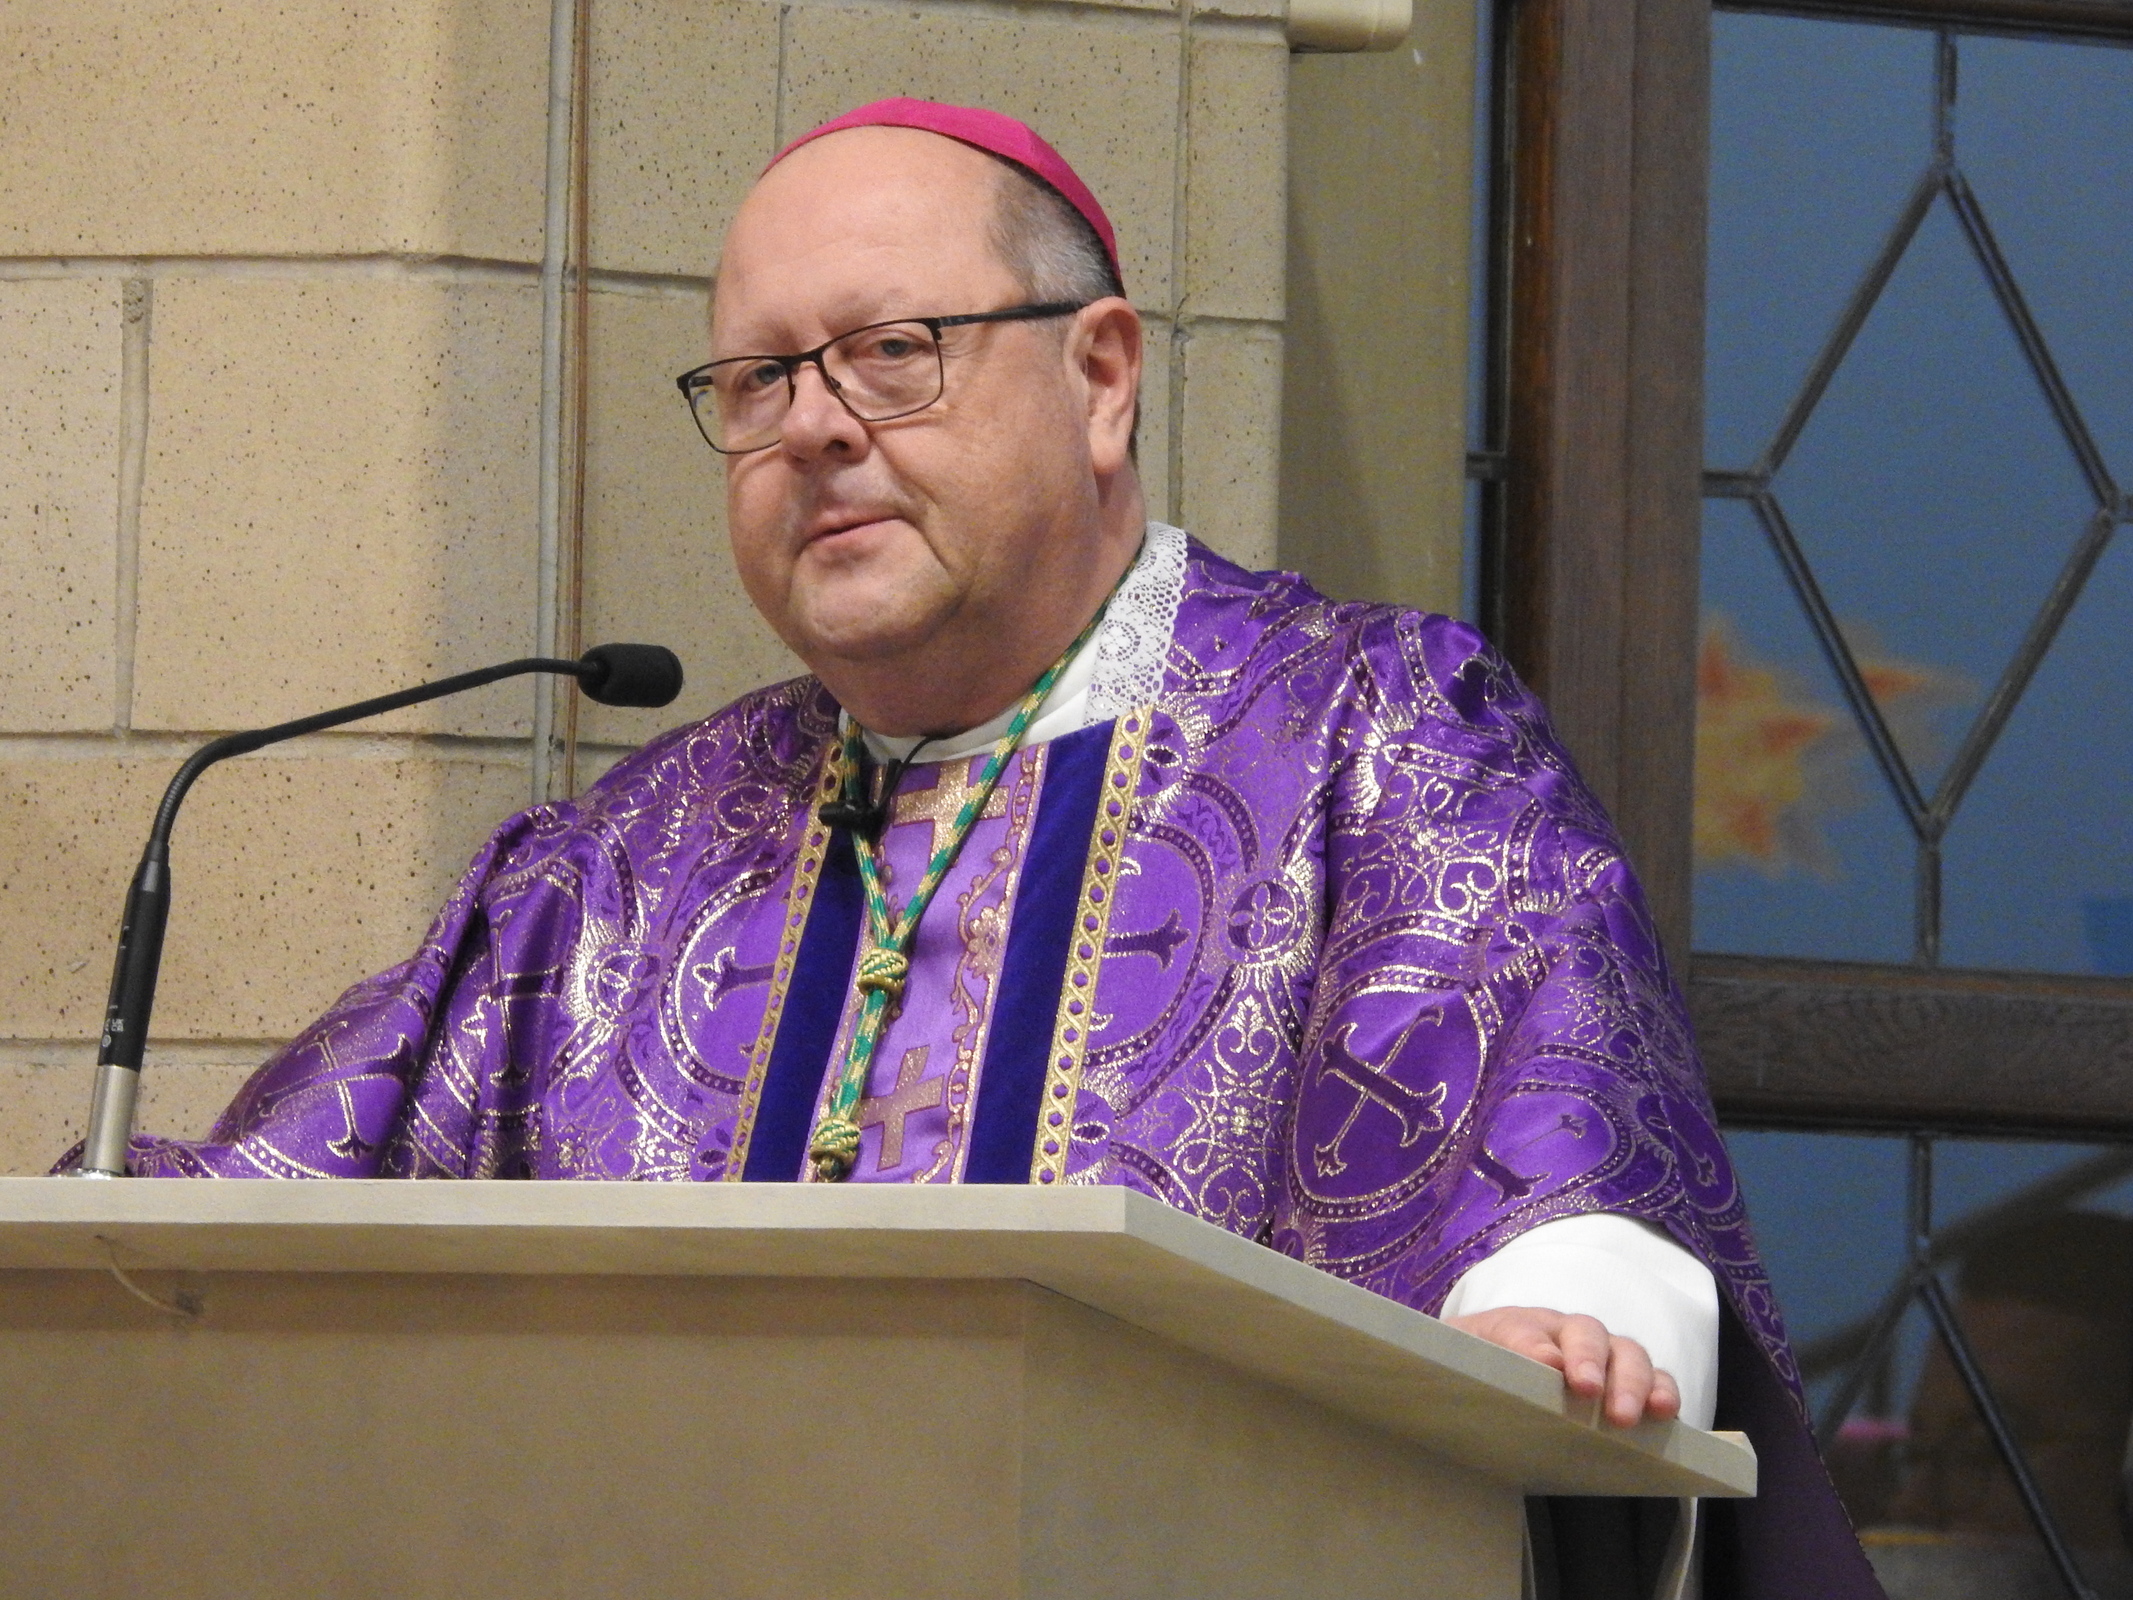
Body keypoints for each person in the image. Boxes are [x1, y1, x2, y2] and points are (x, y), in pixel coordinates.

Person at [64, 98, 1881, 1597]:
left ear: (1101, 376)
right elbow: (276, 1214)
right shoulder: (618, 866)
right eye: (756, 382)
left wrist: (1552, 1312)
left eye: (889, 355)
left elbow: (1555, 1133)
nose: (814, 427)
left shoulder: (1371, 737)